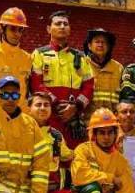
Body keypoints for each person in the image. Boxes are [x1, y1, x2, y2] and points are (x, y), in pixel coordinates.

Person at [26, 91, 82, 193]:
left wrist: (91, 149)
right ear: (28, 108)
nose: (43, 108)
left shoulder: (56, 136)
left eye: (46, 105)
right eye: (38, 105)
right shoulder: (21, 134)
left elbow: (70, 156)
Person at [31, 11, 94, 145]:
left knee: (73, 156)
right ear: (49, 29)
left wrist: (76, 106)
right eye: (58, 23)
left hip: (73, 119)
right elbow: (36, 83)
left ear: (69, 29)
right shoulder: (39, 54)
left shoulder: (80, 57)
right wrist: (56, 104)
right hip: (48, 115)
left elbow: (89, 85)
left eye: (65, 24)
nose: (62, 26)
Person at [0, 7, 32, 103]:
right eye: (12, 29)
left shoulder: (28, 58)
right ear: (2, 29)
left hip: (20, 113)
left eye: (20, 29)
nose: (17, 34)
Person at [84, 27, 124, 116]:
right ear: (89, 46)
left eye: (104, 42)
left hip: (111, 123)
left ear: (109, 47)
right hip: (87, 121)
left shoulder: (118, 68)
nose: (100, 44)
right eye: (97, 41)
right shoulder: (82, 65)